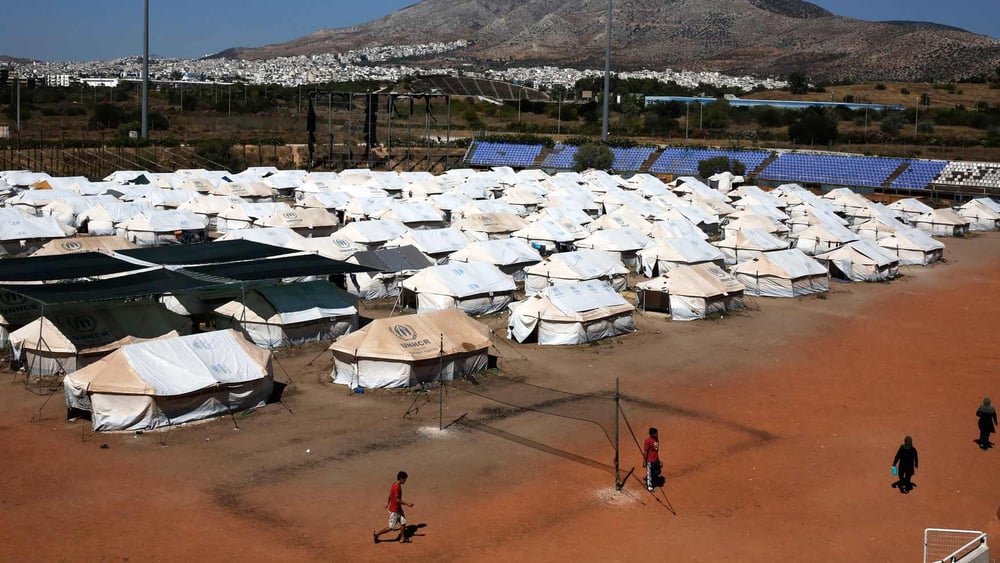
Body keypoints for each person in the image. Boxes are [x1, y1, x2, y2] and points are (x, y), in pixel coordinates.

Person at [374, 471, 413, 544]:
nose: (405, 481)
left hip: (398, 508)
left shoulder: (395, 483)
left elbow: (390, 493)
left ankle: (402, 538)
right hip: (395, 510)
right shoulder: (396, 487)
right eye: (405, 479)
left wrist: (387, 502)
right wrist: (408, 504)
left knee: (403, 522)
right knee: (391, 527)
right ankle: (377, 534)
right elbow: (397, 500)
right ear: (401, 478)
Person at [643, 427, 661, 491]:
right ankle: (649, 487)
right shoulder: (647, 441)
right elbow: (645, 451)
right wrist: (644, 461)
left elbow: (656, 451)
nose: (657, 434)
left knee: (658, 472)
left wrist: (658, 460)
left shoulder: (656, 439)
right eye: (656, 433)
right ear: (652, 434)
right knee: (650, 474)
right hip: (650, 461)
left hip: (656, 459)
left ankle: (647, 477)